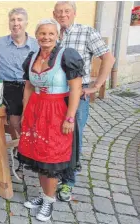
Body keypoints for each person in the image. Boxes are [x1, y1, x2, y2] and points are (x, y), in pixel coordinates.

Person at [20, 18, 84, 221]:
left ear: (57, 36)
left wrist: (70, 118)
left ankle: (49, 202)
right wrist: (25, 113)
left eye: (50, 34)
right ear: (36, 35)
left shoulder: (67, 56)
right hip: (36, 110)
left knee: (51, 157)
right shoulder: (32, 57)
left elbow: (76, 88)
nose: (46, 37)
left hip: (57, 112)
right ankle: (44, 195)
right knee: (38, 154)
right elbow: (29, 86)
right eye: (42, 33)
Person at [53, 1, 115, 202]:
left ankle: (68, 182)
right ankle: (55, 173)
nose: (63, 15)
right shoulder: (53, 33)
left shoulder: (87, 32)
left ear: (74, 13)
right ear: (54, 14)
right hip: (56, 94)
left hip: (78, 94)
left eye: (67, 11)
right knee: (57, 134)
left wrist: (96, 86)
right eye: (59, 12)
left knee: (73, 137)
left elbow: (108, 58)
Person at [0, 8, 39, 141]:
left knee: (36, 118)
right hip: (8, 87)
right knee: (16, 121)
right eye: (12, 20)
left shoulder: (37, 45)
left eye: (19, 20)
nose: (16, 23)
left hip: (32, 85)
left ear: (26, 23)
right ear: (9, 23)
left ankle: (31, 146)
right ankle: (24, 148)